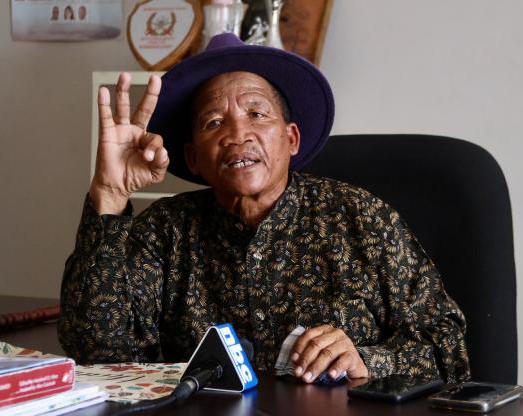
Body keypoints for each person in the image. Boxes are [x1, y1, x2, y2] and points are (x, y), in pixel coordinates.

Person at [58, 33, 470, 384]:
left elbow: (449, 349)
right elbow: (97, 354)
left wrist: (370, 360)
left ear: (291, 139)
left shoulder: (361, 219)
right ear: (194, 158)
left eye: (257, 113)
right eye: (214, 123)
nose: (238, 134)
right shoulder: (164, 231)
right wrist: (109, 195)